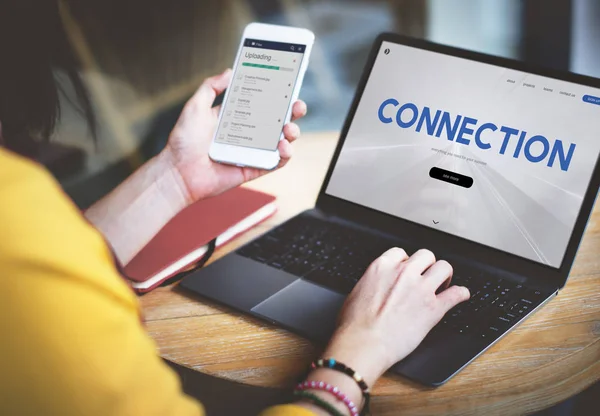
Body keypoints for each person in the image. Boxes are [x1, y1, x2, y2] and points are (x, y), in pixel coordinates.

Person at [0, 2, 470, 415]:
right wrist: (361, 349)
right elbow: (33, 268)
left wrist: (176, 177)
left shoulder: (20, 206)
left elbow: (53, 251)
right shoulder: (16, 223)